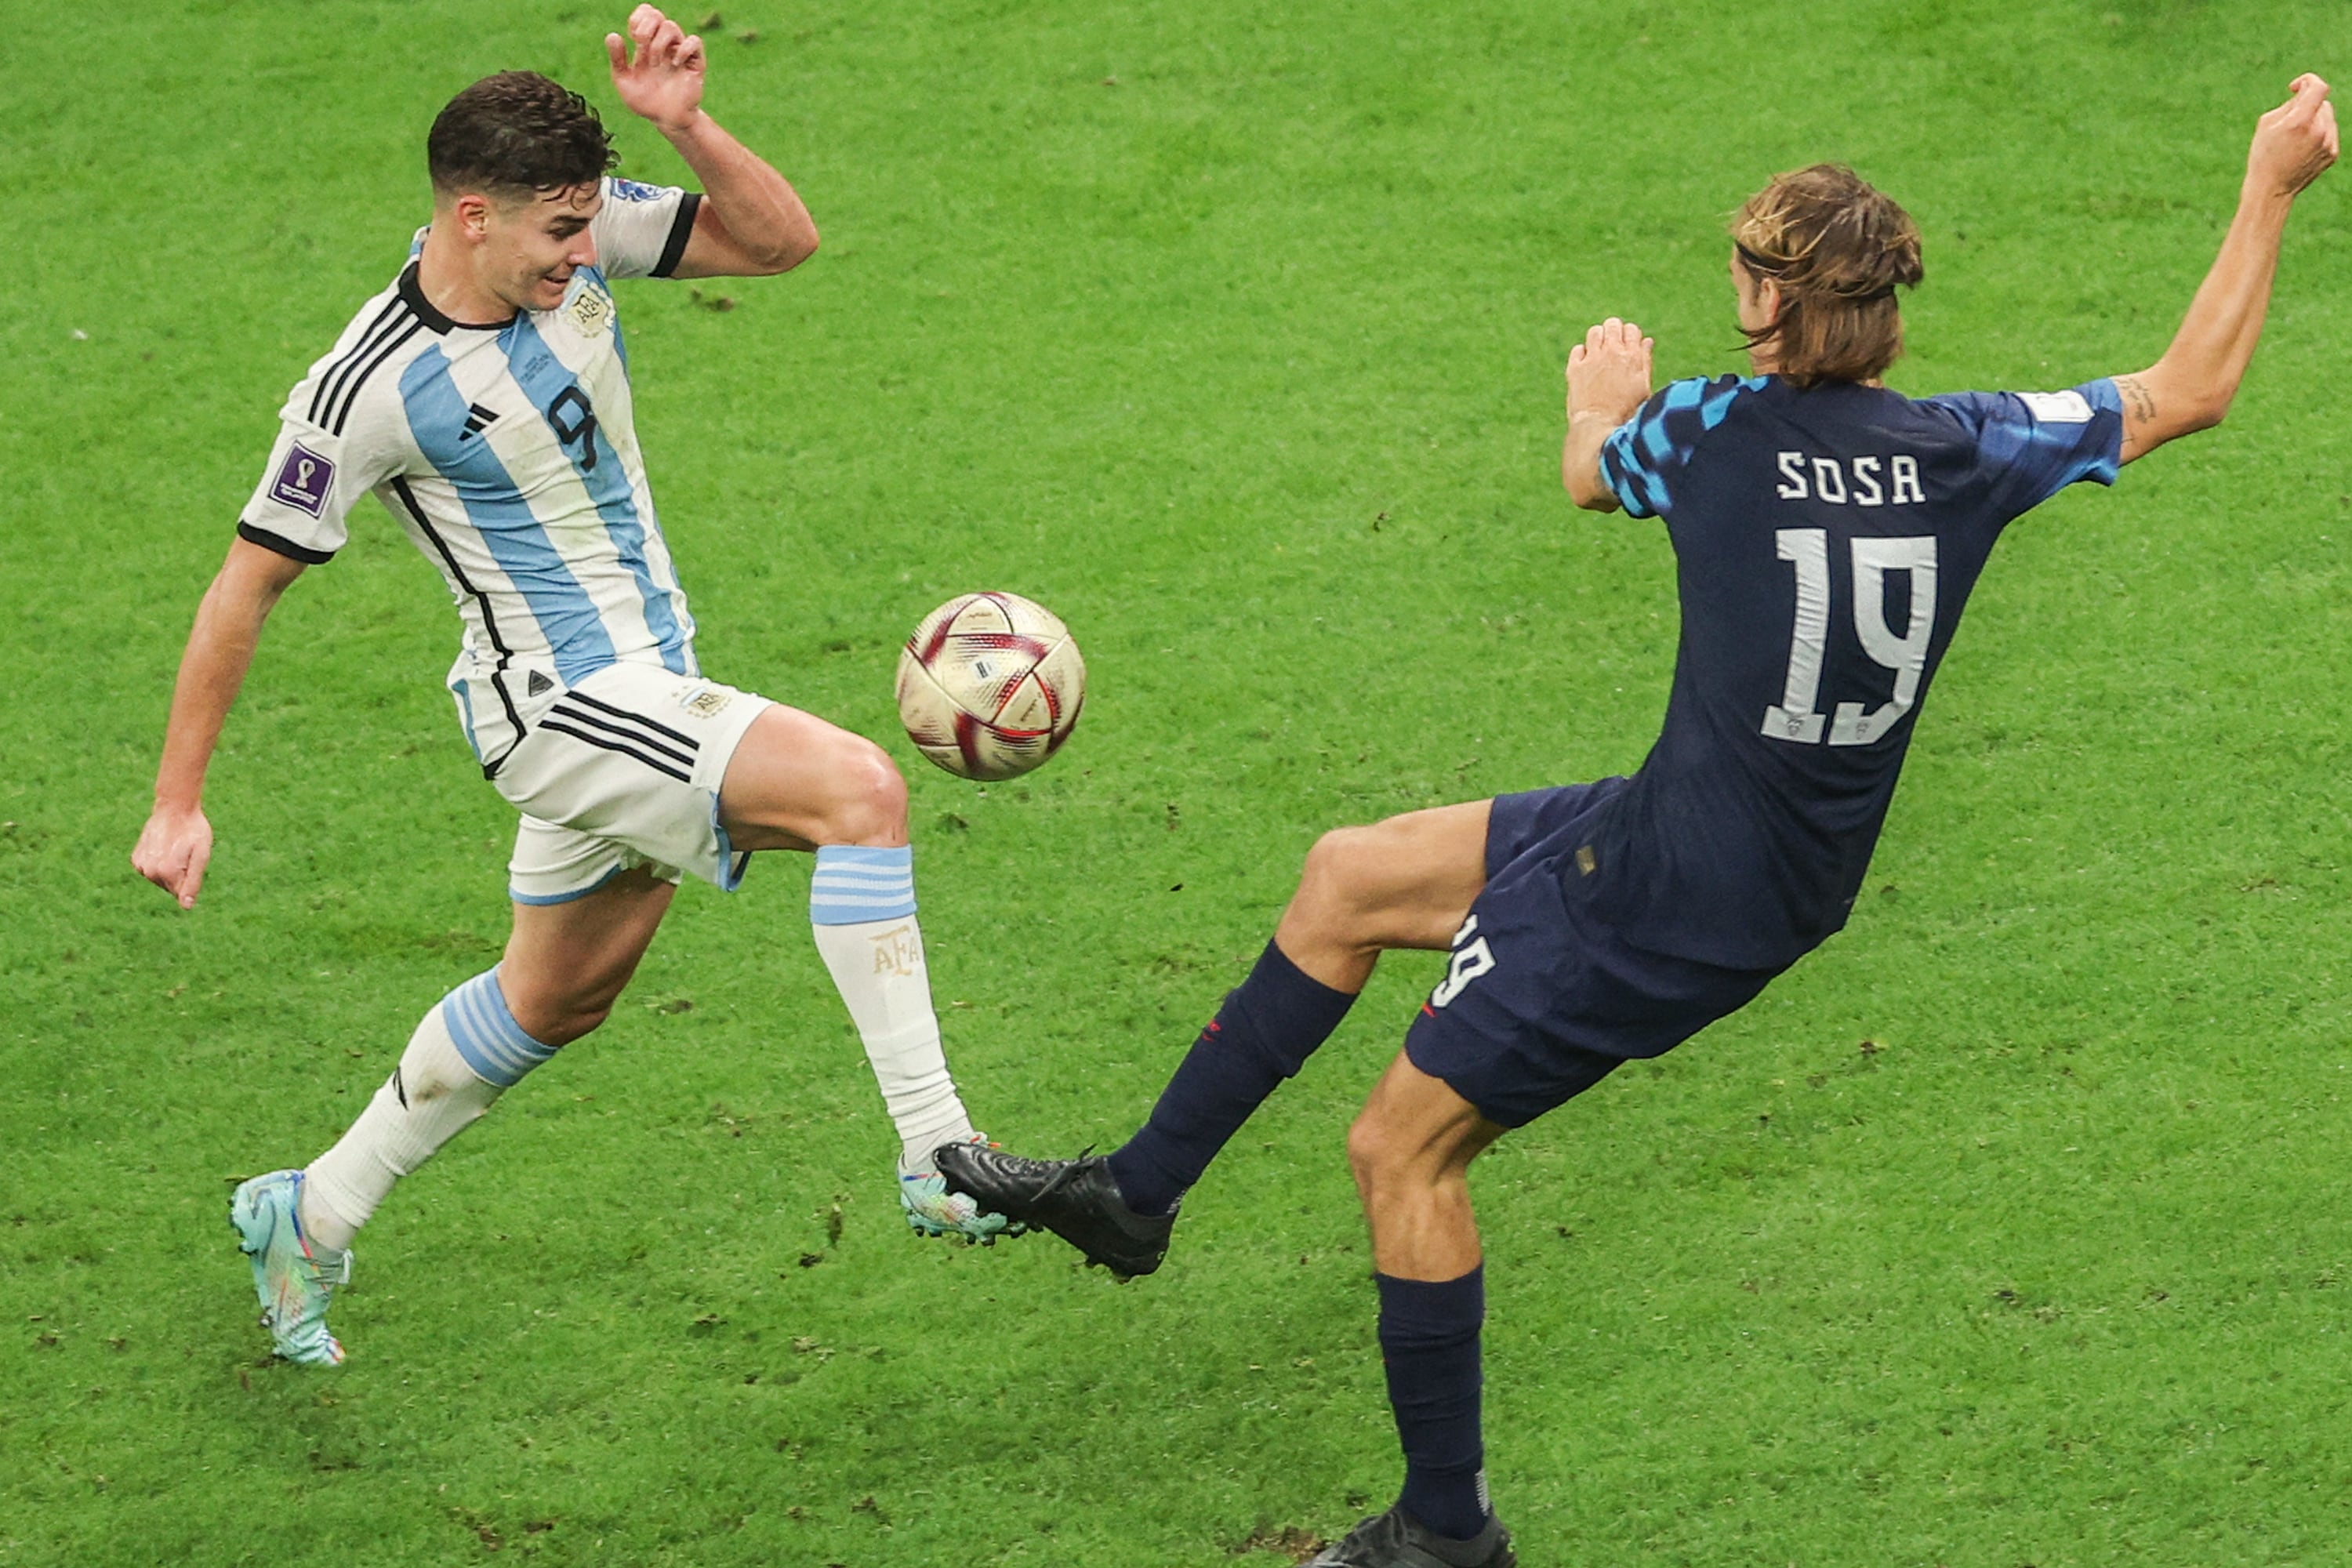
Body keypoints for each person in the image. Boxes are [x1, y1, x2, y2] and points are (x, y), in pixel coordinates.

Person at [942, 77, 2339, 1568]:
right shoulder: (1969, 448)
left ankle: (1444, 1532)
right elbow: (2190, 386)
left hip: (1667, 892)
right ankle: (1132, 1198)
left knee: (1399, 1155)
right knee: (1348, 876)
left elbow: (1585, 477)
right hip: (1742, 841)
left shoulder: (1711, 430)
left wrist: (1593, 397)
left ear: (1768, 305)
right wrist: (2271, 182)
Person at [133, 6, 1014, 1369]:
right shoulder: (362, 390)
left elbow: (779, 243)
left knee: (554, 1003)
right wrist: (177, 801)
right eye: (557, 235)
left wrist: (686, 125)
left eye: (587, 227)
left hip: (649, 682)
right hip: (556, 707)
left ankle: (310, 1210)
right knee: (860, 791)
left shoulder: (578, 232)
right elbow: (244, 584)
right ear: (472, 215)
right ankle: (937, 1149)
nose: (577, 255)